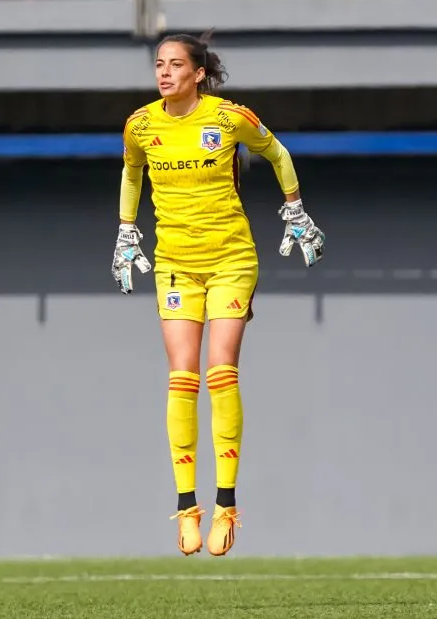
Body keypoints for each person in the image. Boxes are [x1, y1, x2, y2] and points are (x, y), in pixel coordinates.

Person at [112, 31, 325, 557]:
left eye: (175, 65)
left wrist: (295, 209)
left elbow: (277, 152)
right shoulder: (141, 125)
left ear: (198, 73)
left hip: (231, 259)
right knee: (181, 376)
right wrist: (125, 230)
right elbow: (131, 173)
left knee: (220, 371)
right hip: (175, 264)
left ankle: (226, 503)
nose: (164, 73)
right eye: (159, 64)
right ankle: (187, 507)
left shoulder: (229, 119)